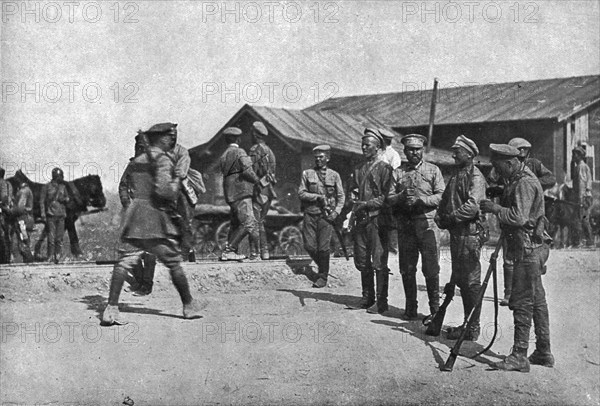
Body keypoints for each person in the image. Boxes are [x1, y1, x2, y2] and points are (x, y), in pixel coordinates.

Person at [101, 123, 206, 325]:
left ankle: (111, 308)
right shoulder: (163, 159)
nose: (172, 140)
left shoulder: (137, 161)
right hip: (155, 218)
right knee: (173, 261)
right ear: (162, 138)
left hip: (134, 216)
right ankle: (189, 305)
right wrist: (175, 183)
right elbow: (164, 192)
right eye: (169, 137)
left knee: (124, 261)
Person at [481, 143, 554, 372]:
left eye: (499, 166)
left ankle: (519, 355)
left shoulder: (524, 182)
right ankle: (543, 352)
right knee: (538, 302)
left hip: (527, 249)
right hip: (531, 247)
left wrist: (494, 208)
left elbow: (519, 217)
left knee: (522, 302)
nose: (497, 172)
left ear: (511, 162)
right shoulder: (519, 178)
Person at [488, 137, 556, 306]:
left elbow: (550, 179)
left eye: (524, 150)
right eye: (519, 150)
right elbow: (493, 178)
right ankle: (508, 292)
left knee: (525, 302)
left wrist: (533, 186)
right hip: (512, 225)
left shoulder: (530, 170)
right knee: (509, 260)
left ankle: (515, 294)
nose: (522, 154)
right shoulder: (509, 169)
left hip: (524, 231)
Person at [435, 136, 487, 341]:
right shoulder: (457, 175)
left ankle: (472, 328)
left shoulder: (476, 177)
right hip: (458, 234)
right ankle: (468, 324)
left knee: (471, 282)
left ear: (469, 154)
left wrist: (451, 218)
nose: (453, 154)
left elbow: (473, 206)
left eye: (458, 151)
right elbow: (445, 199)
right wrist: (440, 215)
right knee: (462, 282)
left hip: (470, 234)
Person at [387, 134, 445, 319]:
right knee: (407, 267)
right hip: (406, 226)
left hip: (427, 225)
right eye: (410, 149)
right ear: (405, 151)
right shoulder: (398, 172)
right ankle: (410, 306)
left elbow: (442, 195)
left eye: (418, 149)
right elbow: (388, 198)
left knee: (431, 268)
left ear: (423, 150)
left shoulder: (433, 170)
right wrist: (401, 197)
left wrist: (422, 200)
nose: (414, 153)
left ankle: (435, 309)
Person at [346, 128, 392, 313]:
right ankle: (367, 297)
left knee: (379, 261)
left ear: (377, 147)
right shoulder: (358, 169)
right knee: (362, 260)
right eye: (362, 145)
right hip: (361, 220)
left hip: (377, 220)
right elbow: (353, 189)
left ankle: (381, 302)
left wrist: (367, 204)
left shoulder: (385, 169)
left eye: (368, 145)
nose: (364, 148)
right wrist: (354, 196)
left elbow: (388, 196)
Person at [298, 144, 345, 288]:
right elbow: (301, 193)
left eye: (321, 157)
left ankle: (322, 276)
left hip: (326, 216)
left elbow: (341, 196)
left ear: (328, 158)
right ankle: (323, 266)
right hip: (310, 214)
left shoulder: (334, 175)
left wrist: (336, 212)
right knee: (309, 246)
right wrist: (317, 197)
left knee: (323, 248)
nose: (318, 160)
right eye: (316, 157)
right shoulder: (307, 174)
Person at [118, 130, 157, 295]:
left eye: (143, 146)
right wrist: (128, 204)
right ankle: (140, 282)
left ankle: (146, 285)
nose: (140, 149)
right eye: (138, 146)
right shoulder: (132, 165)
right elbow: (122, 185)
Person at [219, 127, 260, 261]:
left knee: (236, 223)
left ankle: (252, 254)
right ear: (239, 139)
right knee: (249, 222)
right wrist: (257, 181)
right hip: (241, 192)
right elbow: (248, 171)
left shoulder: (224, 154)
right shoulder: (240, 152)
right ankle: (229, 251)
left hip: (230, 194)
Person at [249, 121, 277, 260]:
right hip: (269, 190)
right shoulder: (270, 151)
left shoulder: (255, 150)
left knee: (254, 221)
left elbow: (252, 172)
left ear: (255, 134)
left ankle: (256, 252)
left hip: (258, 190)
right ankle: (265, 252)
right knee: (260, 222)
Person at [378, 128, 402, 257]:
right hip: (378, 190)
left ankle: (393, 246)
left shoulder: (393, 155)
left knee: (390, 219)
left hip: (389, 189)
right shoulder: (379, 153)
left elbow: (396, 174)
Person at [40, 167, 70, 263]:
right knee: (51, 238)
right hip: (51, 215)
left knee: (59, 238)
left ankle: (58, 256)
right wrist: (43, 214)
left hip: (61, 215)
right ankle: (50, 256)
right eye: (60, 176)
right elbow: (41, 201)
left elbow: (67, 198)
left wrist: (64, 199)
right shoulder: (46, 187)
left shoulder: (63, 187)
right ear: (57, 177)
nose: (62, 178)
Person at [571, 146, 594, 247]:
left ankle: (582, 242)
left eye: (575, 154)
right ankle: (588, 242)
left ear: (580, 156)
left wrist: (580, 199)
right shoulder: (581, 166)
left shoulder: (581, 166)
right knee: (583, 219)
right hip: (584, 196)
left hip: (583, 197)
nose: (573, 157)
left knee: (581, 219)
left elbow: (581, 183)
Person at [14, 181, 34, 263]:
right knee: (26, 238)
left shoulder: (23, 191)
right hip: (27, 217)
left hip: (22, 218)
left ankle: (28, 259)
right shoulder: (28, 190)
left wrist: (12, 212)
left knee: (23, 239)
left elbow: (20, 207)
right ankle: (28, 260)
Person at [0, 167, 14, 264]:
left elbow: (4, 198)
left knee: (2, 235)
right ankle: (7, 258)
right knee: (6, 235)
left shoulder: (2, 184)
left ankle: (4, 258)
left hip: (2, 211)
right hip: (6, 212)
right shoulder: (8, 184)